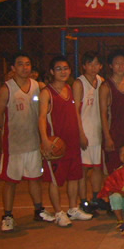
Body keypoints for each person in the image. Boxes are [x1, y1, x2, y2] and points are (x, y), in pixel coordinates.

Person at [0, 51, 53, 232]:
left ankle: (38, 210)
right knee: (11, 181)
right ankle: (8, 215)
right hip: (14, 144)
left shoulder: (38, 86)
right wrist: (6, 129)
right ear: (13, 67)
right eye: (20, 64)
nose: (24, 67)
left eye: (27, 64)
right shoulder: (7, 89)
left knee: (35, 178)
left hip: (33, 142)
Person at [39, 55, 93, 227]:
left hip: (73, 141)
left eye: (65, 68)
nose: (63, 72)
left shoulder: (69, 89)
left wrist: (81, 134)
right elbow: (41, 118)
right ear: (51, 71)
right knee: (55, 180)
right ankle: (58, 212)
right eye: (58, 69)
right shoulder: (46, 92)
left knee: (74, 177)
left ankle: (73, 208)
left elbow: (76, 113)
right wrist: (45, 140)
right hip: (56, 144)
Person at [72, 51, 105, 213]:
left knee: (98, 168)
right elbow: (75, 111)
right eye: (89, 64)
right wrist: (80, 133)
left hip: (97, 132)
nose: (93, 67)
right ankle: (83, 201)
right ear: (84, 66)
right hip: (85, 132)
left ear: (100, 66)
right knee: (83, 170)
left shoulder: (101, 81)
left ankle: (95, 198)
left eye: (96, 64)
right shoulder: (79, 83)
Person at [99, 49, 124, 174]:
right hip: (114, 133)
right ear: (110, 65)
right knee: (114, 170)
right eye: (117, 63)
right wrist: (107, 137)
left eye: (123, 63)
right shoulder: (106, 87)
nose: (120, 66)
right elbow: (103, 113)